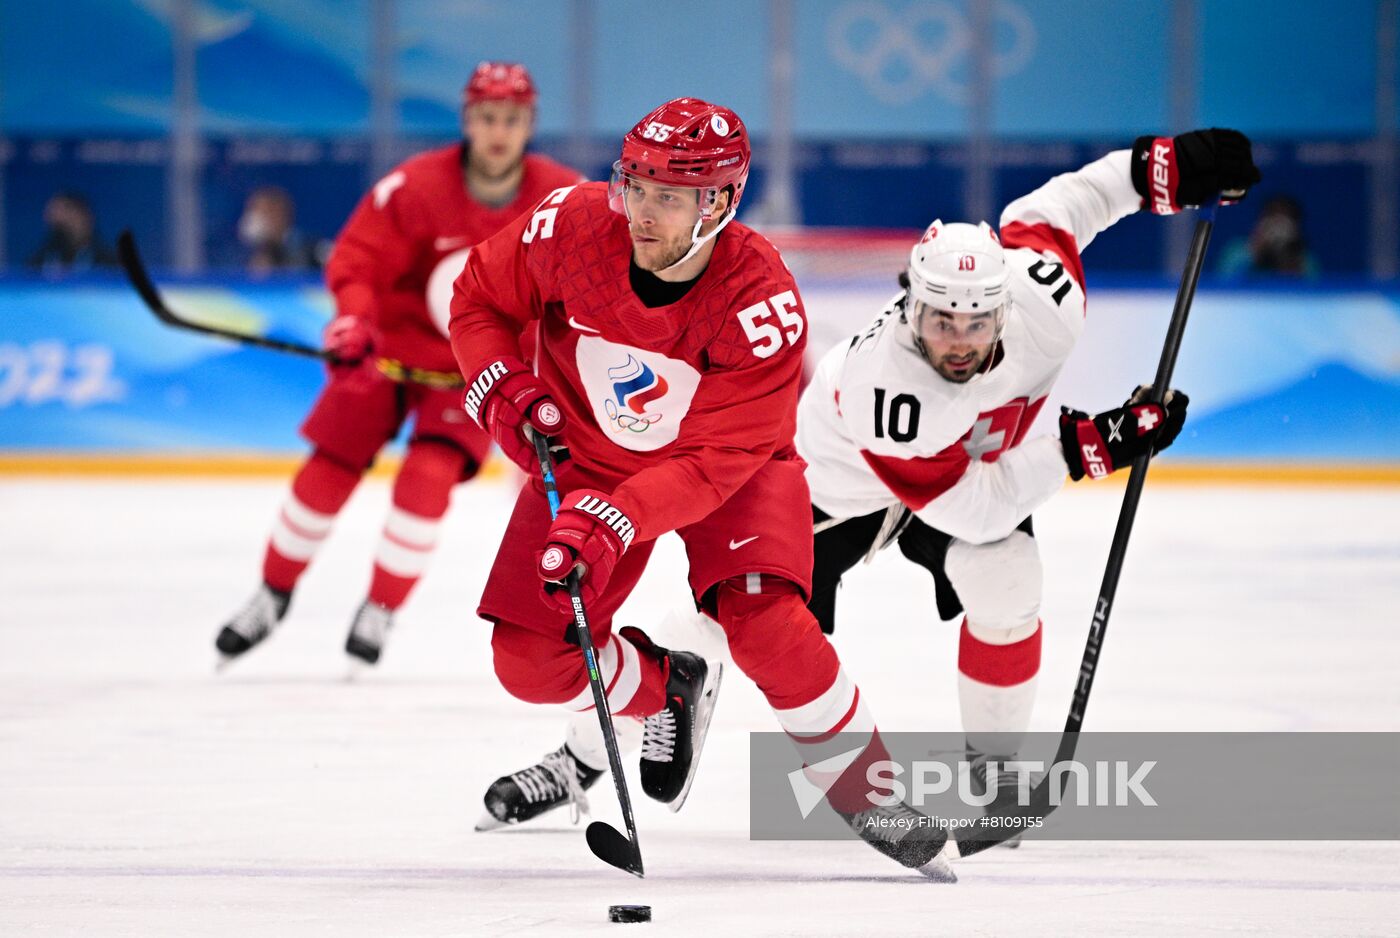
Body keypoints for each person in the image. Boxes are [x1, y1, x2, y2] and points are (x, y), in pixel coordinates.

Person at [474, 128, 1260, 858]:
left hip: (955, 474)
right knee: (717, 630)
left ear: (1006, 311)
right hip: (839, 491)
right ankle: (583, 761)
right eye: (935, 319)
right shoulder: (894, 388)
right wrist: (1089, 446)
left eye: (972, 324)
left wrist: (1165, 171)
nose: (952, 340)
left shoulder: (1046, 299)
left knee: (1007, 582)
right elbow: (968, 506)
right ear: (907, 302)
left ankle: (996, 781)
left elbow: (1069, 204)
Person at [450, 96, 958, 879]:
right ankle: (668, 689)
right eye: (636, 186)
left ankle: (870, 792)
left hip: (729, 475)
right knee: (528, 660)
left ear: (718, 201)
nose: (641, 212)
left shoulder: (761, 302)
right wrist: (499, 386)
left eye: (669, 196)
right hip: (587, 459)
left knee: (765, 624)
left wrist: (615, 518)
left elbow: (715, 463)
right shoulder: (570, 227)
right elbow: (478, 298)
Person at [215, 62, 583, 667]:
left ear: (529, 125)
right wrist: (355, 321)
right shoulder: (416, 186)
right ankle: (272, 593)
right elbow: (358, 258)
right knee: (327, 473)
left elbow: (583, 288)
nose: (498, 132)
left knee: (427, 480)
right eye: (487, 117)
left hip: (477, 373)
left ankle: (381, 607)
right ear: (468, 120)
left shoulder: (561, 196)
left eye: (512, 120)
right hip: (388, 358)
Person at [1218, 194, 1318, 278]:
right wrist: (1257, 251)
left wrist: (1289, 258)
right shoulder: (1237, 251)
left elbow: (1313, 293)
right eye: (1272, 217)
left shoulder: (1304, 258)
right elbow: (1222, 288)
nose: (1277, 227)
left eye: (1284, 221)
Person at [237, 186, 325, 274]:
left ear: (279, 214)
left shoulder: (312, 249)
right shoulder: (241, 254)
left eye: (262, 212)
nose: (253, 219)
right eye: (251, 210)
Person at [27, 192, 118, 274]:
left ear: (86, 217)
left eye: (70, 216)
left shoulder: (112, 264)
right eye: (58, 225)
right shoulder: (38, 265)